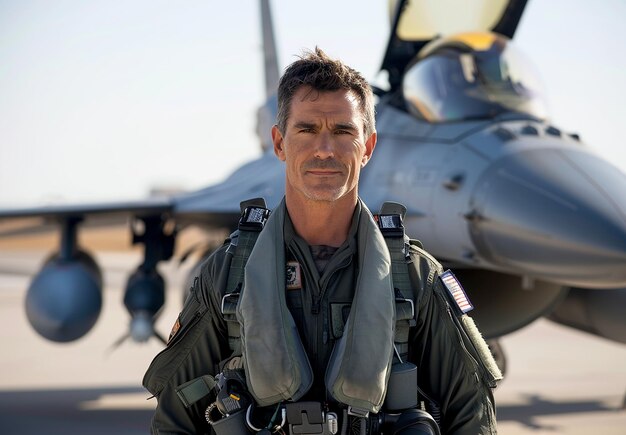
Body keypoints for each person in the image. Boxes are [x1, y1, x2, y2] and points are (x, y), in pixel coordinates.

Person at [143, 47, 501, 434]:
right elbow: (176, 417)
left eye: (343, 131)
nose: (325, 150)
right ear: (279, 143)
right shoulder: (230, 274)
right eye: (307, 129)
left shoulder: (415, 278)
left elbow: (473, 414)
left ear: (368, 147)